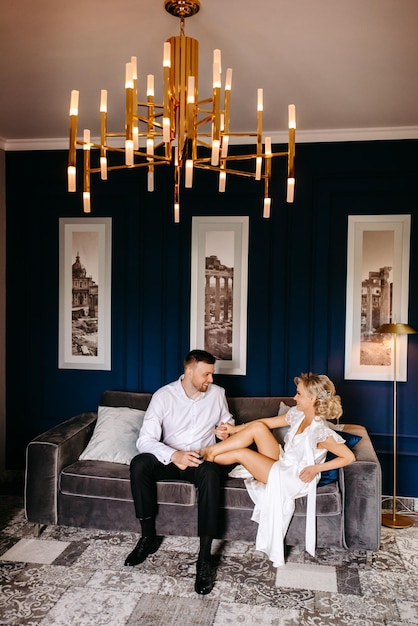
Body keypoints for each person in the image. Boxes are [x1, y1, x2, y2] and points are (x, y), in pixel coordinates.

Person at [200, 372, 355, 567]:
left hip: (292, 477)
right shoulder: (298, 414)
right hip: (283, 462)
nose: (294, 397)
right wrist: (234, 430)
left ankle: (206, 454)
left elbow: (349, 457)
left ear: (312, 399)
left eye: (299, 394)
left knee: (241, 454)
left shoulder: (321, 431)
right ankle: (207, 458)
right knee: (257, 428)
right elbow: (263, 423)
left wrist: (317, 467)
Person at [125, 349, 234, 595]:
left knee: (211, 474)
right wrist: (174, 455)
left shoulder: (217, 394)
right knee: (139, 463)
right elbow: (145, 440)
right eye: (206, 374)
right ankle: (147, 537)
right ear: (189, 371)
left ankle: (204, 557)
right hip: (170, 457)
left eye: (212, 374)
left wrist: (226, 430)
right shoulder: (163, 396)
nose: (211, 380)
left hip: (200, 459)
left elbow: (228, 420)